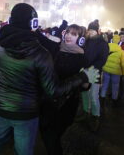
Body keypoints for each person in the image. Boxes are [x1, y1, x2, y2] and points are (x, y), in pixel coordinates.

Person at [0, 3, 99, 155]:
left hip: (1, 107)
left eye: (74, 34)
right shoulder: (42, 53)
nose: (69, 36)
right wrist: (83, 76)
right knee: (23, 150)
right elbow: (54, 90)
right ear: (33, 23)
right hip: (25, 113)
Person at [40, 24, 87, 155]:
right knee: (49, 134)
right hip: (50, 100)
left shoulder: (82, 57)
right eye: (68, 32)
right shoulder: (57, 50)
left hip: (67, 103)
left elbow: (85, 82)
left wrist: (85, 83)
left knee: (54, 135)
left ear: (80, 38)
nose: (69, 36)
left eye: (74, 34)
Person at [81, 20, 109, 132]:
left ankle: (95, 116)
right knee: (84, 93)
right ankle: (85, 112)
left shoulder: (103, 43)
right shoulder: (85, 41)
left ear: (97, 31)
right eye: (90, 31)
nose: (91, 33)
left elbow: (102, 60)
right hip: (83, 71)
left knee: (93, 95)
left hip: (95, 72)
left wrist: (91, 69)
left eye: (93, 31)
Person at [100, 42, 124, 108]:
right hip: (116, 72)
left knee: (105, 85)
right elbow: (123, 64)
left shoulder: (107, 49)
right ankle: (114, 101)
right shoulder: (121, 52)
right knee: (115, 86)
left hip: (106, 69)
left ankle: (102, 100)